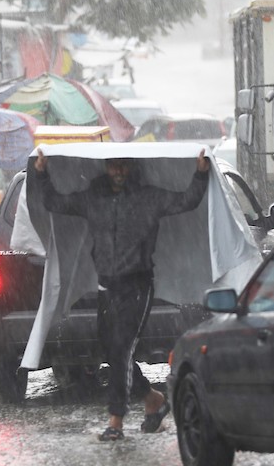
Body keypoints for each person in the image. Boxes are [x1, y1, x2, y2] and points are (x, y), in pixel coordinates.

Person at [32, 148, 210, 441]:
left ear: (131, 168)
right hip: (107, 288)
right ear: (106, 166)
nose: (118, 171)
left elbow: (187, 200)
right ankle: (153, 400)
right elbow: (54, 201)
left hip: (138, 287)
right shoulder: (93, 198)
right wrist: (40, 174)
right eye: (113, 166)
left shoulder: (148, 198)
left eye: (123, 166)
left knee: (122, 348)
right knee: (111, 352)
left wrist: (200, 173)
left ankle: (115, 421)